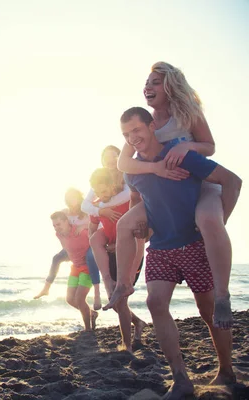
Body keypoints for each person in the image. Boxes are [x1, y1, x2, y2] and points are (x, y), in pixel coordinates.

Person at [120, 107, 241, 398]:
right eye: (126, 134)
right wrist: (141, 229)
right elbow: (138, 200)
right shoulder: (132, 171)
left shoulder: (181, 155)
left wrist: (216, 223)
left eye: (137, 130)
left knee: (208, 311)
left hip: (195, 245)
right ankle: (181, 378)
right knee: (155, 303)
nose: (133, 137)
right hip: (161, 247)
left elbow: (232, 181)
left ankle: (226, 370)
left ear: (152, 126)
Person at [107, 62, 235, 330]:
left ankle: (222, 294)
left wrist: (187, 145)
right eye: (147, 82)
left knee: (209, 220)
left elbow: (210, 147)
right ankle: (122, 286)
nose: (148, 87)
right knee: (125, 225)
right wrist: (156, 169)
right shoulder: (144, 122)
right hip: (165, 190)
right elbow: (124, 164)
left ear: (170, 86)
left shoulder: (188, 114)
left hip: (200, 184)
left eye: (155, 82)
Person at [88, 167, 147, 352]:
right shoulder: (98, 206)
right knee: (115, 302)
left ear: (113, 185)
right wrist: (103, 244)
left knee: (121, 301)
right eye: (96, 191)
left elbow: (143, 231)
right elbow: (92, 229)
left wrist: (122, 243)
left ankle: (127, 346)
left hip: (131, 254)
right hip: (111, 256)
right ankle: (137, 323)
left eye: (103, 190)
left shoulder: (127, 200)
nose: (100, 195)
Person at [34, 188, 102, 310]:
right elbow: (58, 223)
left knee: (90, 258)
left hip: (89, 245)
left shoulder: (86, 211)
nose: (71, 201)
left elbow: (98, 224)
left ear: (79, 198)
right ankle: (46, 288)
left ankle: (97, 294)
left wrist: (83, 225)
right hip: (72, 248)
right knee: (57, 258)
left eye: (73, 197)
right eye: (68, 199)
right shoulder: (65, 212)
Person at [47, 210, 98, 331]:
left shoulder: (81, 232)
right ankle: (92, 313)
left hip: (87, 267)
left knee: (80, 299)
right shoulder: (58, 235)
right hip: (75, 267)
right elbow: (67, 248)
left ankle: (88, 329)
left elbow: (96, 241)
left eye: (58, 224)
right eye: (54, 225)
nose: (56, 228)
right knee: (70, 299)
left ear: (66, 221)